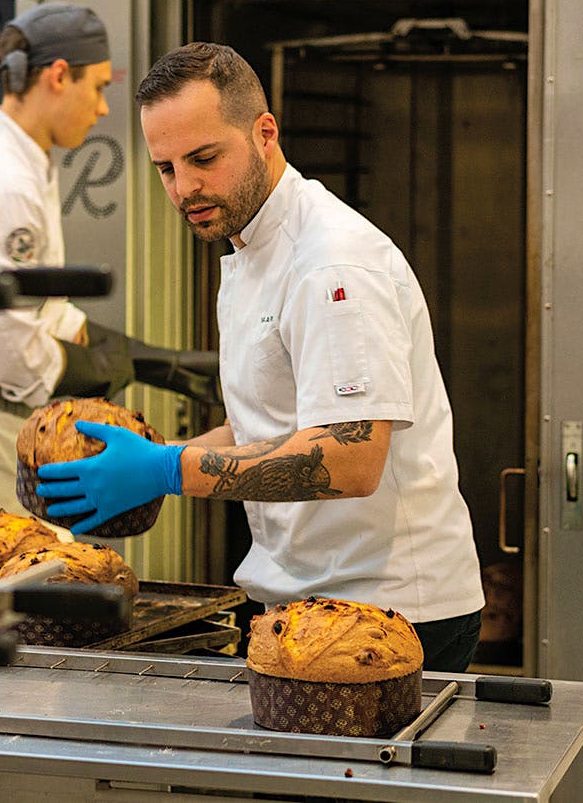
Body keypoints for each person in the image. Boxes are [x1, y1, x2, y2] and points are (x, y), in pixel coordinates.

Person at [35, 43, 486, 672]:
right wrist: (149, 460)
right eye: (165, 167)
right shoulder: (250, 246)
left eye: (204, 158)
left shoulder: (332, 262)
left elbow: (352, 458)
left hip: (391, 617)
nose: (185, 187)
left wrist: (170, 470)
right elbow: (272, 428)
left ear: (264, 133)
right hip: (297, 605)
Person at [0, 2, 216, 529]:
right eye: (97, 88)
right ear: (58, 76)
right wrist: (107, 370)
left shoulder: (24, 164)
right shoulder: (1, 181)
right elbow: (16, 359)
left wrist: (159, 361)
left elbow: (45, 312)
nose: (103, 109)